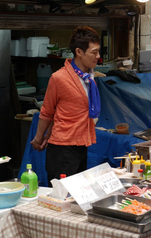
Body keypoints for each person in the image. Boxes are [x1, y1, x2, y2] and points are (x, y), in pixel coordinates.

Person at [31, 26, 101, 184]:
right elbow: (47, 111)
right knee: (61, 197)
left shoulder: (89, 77)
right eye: (94, 52)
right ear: (79, 52)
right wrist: (38, 139)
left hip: (81, 144)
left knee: (78, 194)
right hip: (63, 148)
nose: (98, 56)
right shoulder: (59, 78)